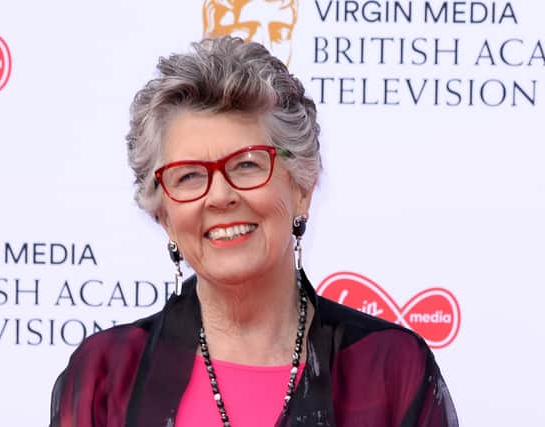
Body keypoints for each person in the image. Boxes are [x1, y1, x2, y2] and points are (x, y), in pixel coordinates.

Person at [49, 36, 459, 427]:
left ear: (301, 186)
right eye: (189, 176)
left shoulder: (387, 368)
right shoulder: (105, 375)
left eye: (247, 164)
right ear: (164, 214)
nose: (220, 196)